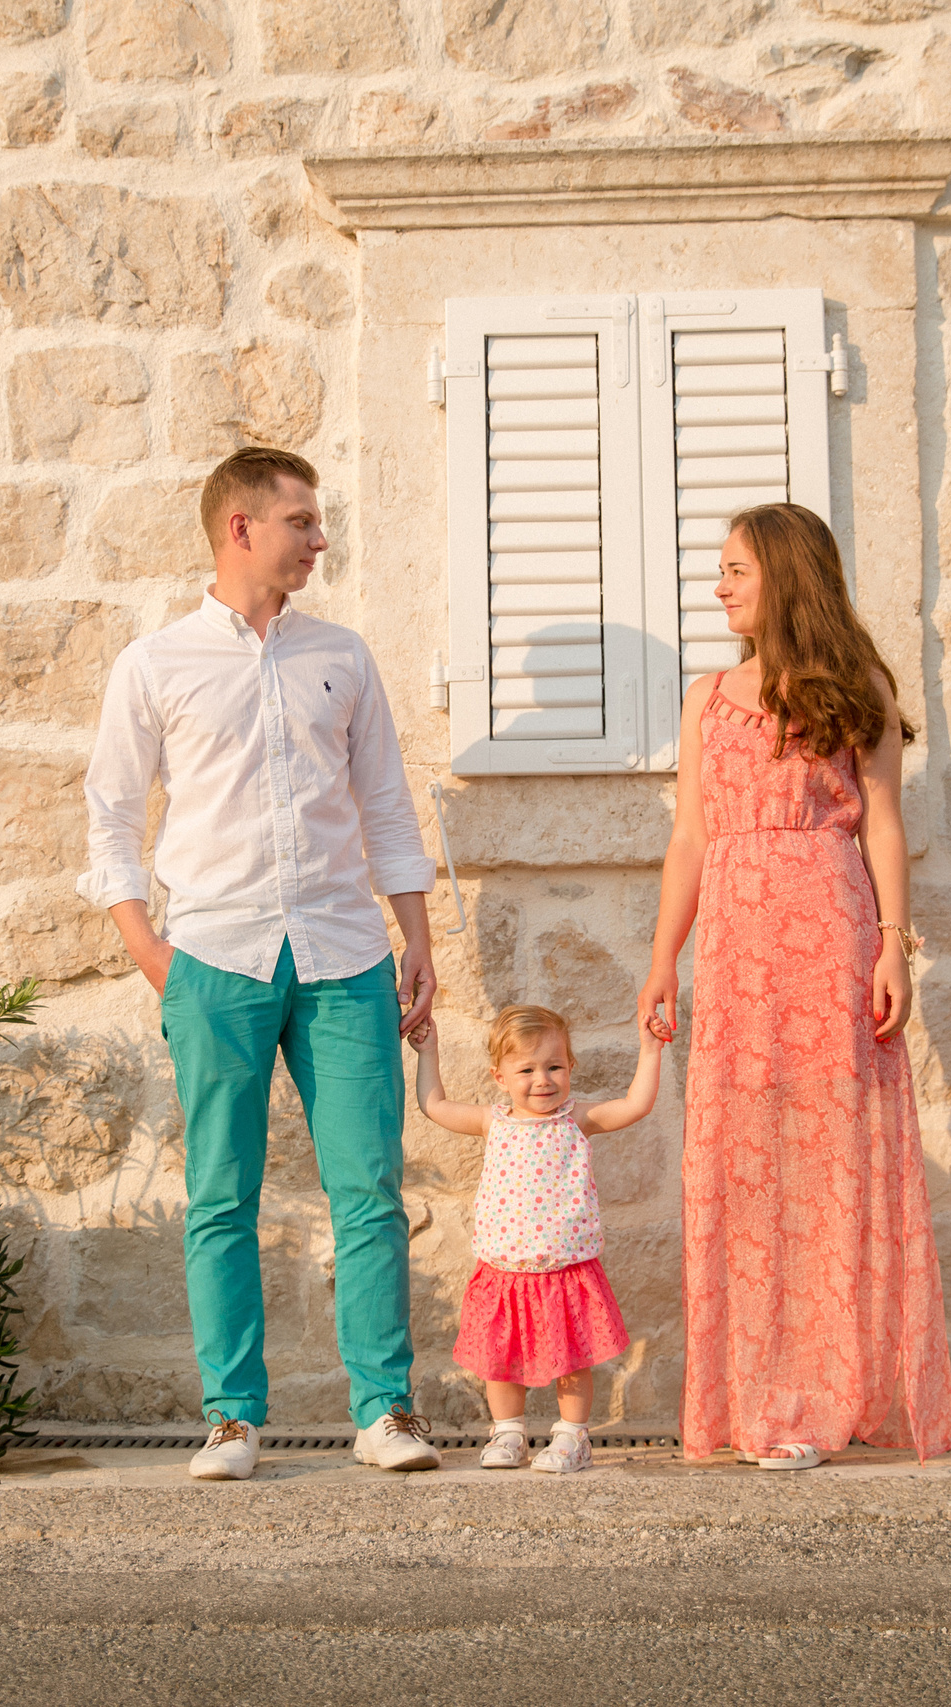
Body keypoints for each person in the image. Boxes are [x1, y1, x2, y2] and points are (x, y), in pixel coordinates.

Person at [80, 446, 445, 1482]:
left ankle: (384, 1410)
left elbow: (385, 804)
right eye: (301, 522)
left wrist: (417, 938)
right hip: (215, 956)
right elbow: (111, 814)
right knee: (221, 1195)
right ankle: (233, 1418)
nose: (319, 540)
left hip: (344, 952)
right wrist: (148, 948)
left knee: (369, 1188)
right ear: (240, 528)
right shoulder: (154, 665)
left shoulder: (343, 656)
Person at [637, 501, 951, 1471]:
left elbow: (884, 824)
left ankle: (822, 1398)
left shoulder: (858, 687)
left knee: (832, 1166)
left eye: (736, 569)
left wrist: (894, 946)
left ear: (785, 575)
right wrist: (662, 958)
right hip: (736, 951)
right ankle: (754, 1396)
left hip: (831, 934)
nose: (719, 587)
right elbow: (690, 836)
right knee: (742, 1168)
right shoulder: (707, 697)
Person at [407, 1004, 663, 1474]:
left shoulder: (576, 1119)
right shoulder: (493, 1121)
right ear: (500, 1077)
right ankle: (508, 1433)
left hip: (566, 1269)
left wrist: (650, 1048)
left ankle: (572, 1437)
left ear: (571, 1067)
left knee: (573, 1360)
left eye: (554, 1067)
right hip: (504, 1271)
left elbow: (636, 1104)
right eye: (526, 1070)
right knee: (500, 1360)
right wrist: (429, 1052)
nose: (542, 1080)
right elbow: (435, 1105)